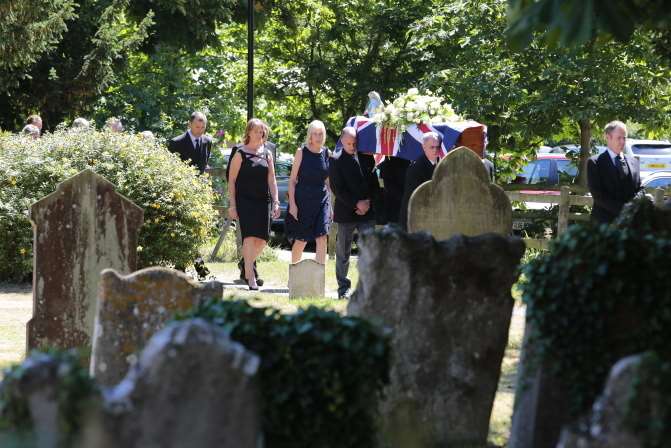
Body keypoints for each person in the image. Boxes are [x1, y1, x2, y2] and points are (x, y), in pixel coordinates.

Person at [227, 118, 280, 290]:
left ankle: (246, 262)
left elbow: (272, 180)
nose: (260, 134)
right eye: (257, 131)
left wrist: (277, 201)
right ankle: (251, 278)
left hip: (263, 200)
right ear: (249, 132)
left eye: (262, 131)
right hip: (245, 200)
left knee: (263, 239)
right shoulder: (240, 153)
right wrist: (233, 205)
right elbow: (232, 180)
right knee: (249, 237)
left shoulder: (267, 153)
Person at [329, 127, 376, 299]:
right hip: (346, 210)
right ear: (342, 141)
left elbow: (373, 184)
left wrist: (368, 202)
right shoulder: (336, 159)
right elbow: (337, 188)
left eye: (354, 143)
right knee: (343, 251)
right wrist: (356, 204)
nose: (352, 146)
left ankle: (368, 287)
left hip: (368, 211)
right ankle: (343, 289)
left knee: (369, 249)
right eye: (348, 143)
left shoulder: (366, 156)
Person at [286, 120, 331, 264]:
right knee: (301, 239)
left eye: (321, 134)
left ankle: (319, 279)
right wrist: (292, 205)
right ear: (310, 136)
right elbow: (292, 180)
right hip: (303, 201)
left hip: (322, 200)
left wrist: (330, 206)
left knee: (322, 237)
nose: (318, 137)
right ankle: (294, 275)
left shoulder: (326, 153)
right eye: (315, 134)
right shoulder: (301, 152)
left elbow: (328, 183)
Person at [587, 121, 641, 224]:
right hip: (605, 224)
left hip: (631, 224)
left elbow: (640, 189)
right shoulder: (595, 163)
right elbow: (599, 197)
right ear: (608, 137)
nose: (622, 142)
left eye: (624, 138)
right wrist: (624, 210)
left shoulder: (634, 161)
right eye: (619, 138)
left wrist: (633, 206)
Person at [399, 132, 441, 231]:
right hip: (415, 216)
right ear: (424, 147)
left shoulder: (439, 163)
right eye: (432, 147)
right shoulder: (416, 167)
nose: (435, 150)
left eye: (437, 147)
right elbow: (414, 196)